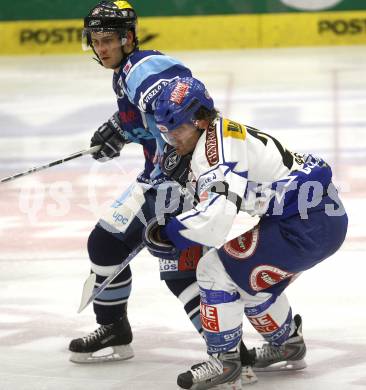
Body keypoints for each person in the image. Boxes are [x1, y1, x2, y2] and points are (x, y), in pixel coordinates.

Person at [143, 76, 348, 389]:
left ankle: (224, 362)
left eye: (178, 129)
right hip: (318, 217)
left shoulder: (214, 153)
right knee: (247, 278)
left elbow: (214, 222)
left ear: (199, 121)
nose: (172, 138)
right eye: (166, 131)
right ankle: (286, 344)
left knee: (213, 270)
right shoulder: (217, 132)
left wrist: (168, 233)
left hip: (306, 224)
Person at [68, 0, 205, 363]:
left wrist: (178, 152)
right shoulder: (126, 72)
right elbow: (146, 115)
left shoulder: (143, 68)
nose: (101, 48)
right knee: (106, 247)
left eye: (108, 39)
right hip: (159, 182)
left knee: (182, 275)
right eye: (95, 41)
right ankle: (114, 327)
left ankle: (231, 351)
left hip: (176, 187)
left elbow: (183, 99)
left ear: (128, 37)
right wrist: (120, 128)